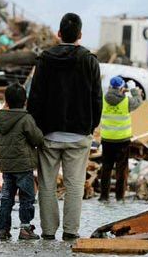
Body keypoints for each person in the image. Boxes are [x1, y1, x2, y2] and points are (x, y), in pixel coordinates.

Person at [27, 12, 102, 240]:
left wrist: (36, 129)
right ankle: (71, 231)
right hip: (79, 135)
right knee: (75, 185)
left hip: (49, 134)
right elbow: (96, 98)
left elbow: (35, 98)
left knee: (47, 185)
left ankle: (48, 231)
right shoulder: (90, 61)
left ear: (59, 34)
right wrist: (91, 126)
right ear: (80, 34)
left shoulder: (44, 60)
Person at [0, 83, 44, 241]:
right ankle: (25, 229)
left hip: (7, 166)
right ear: (25, 101)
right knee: (27, 198)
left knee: (6, 198)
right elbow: (37, 138)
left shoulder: (1, 118)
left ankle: (3, 230)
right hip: (23, 166)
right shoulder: (26, 118)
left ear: (6, 101)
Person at [98, 76, 142, 202]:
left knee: (106, 169)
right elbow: (138, 101)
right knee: (121, 170)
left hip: (107, 140)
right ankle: (119, 196)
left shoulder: (103, 99)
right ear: (121, 87)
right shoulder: (127, 101)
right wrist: (133, 90)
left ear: (110, 87)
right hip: (122, 141)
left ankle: (104, 196)